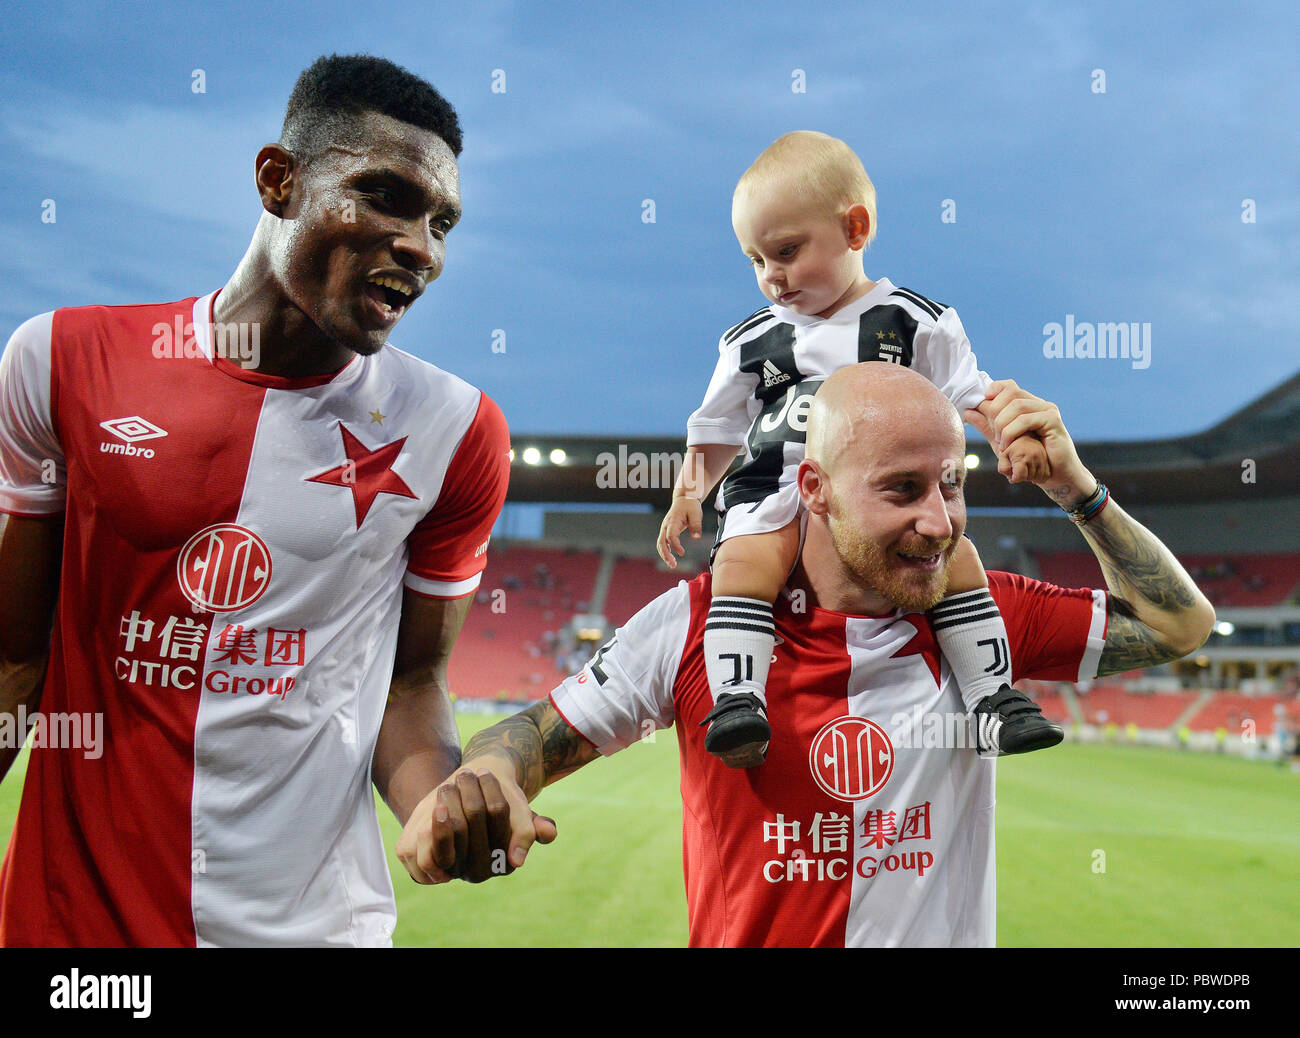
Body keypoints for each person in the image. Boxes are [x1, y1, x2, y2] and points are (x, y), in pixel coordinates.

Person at [397, 365, 1216, 947]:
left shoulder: (979, 620)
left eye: (953, 484)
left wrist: (1079, 489)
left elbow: (1180, 625)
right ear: (816, 488)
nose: (940, 521)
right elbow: (531, 737)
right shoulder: (700, 624)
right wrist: (494, 778)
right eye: (902, 490)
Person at [0, 54, 515, 947]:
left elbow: (411, 684)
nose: (422, 247)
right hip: (76, 931)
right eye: (385, 196)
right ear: (278, 180)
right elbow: (12, 659)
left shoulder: (457, 431)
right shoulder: (61, 363)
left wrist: (439, 805)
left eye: (442, 222)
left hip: (312, 931)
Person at [656, 131, 1057, 767]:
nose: (772, 277)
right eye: (756, 261)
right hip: (774, 484)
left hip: (877, 496)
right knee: (743, 565)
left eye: (786, 251)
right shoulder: (750, 342)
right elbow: (718, 428)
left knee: (958, 563)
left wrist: (1013, 437)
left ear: (855, 227)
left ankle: (993, 698)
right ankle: (737, 699)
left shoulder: (914, 321)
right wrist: (686, 495)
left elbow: (968, 392)